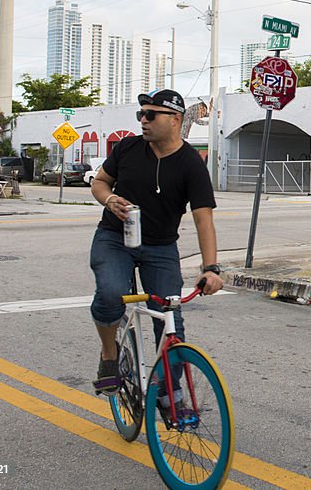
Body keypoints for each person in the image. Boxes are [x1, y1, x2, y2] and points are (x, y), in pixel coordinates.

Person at [88, 89, 224, 395]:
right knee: (111, 293)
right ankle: (109, 356)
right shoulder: (127, 148)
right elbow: (100, 182)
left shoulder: (191, 163)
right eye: (141, 114)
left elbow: (204, 218)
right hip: (114, 238)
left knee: (169, 318)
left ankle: (168, 392)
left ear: (175, 119)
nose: (143, 121)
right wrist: (109, 200)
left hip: (160, 247)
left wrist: (211, 267)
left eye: (151, 115)